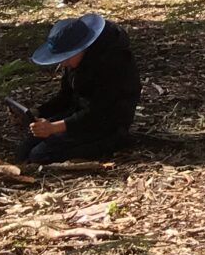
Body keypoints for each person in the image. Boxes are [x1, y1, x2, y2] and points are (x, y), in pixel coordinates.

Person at [13, 12, 140, 164]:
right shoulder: (76, 62)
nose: (63, 63)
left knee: (39, 155)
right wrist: (38, 112)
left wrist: (54, 127)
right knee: (24, 150)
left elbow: (98, 112)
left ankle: (113, 143)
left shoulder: (113, 63)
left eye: (66, 57)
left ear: (83, 47)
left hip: (106, 124)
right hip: (76, 115)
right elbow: (66, 96)